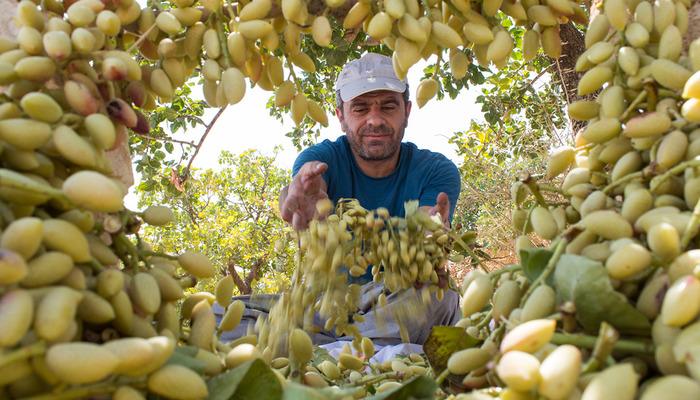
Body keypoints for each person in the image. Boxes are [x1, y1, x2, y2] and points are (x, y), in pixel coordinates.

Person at [216, 52, 462, 346]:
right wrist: (298, 198)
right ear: (341, 115)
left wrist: (429, 239)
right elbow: (305, 189)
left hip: (391, 300)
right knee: (217, 314)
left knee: (439, 299)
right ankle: (356, 347)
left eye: (388, 106)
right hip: (325, 307)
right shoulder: (320, 159)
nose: (375, 119)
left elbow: (426, 227)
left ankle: (330, 348)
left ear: (406, 111)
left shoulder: (436, 169)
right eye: (360, 108)